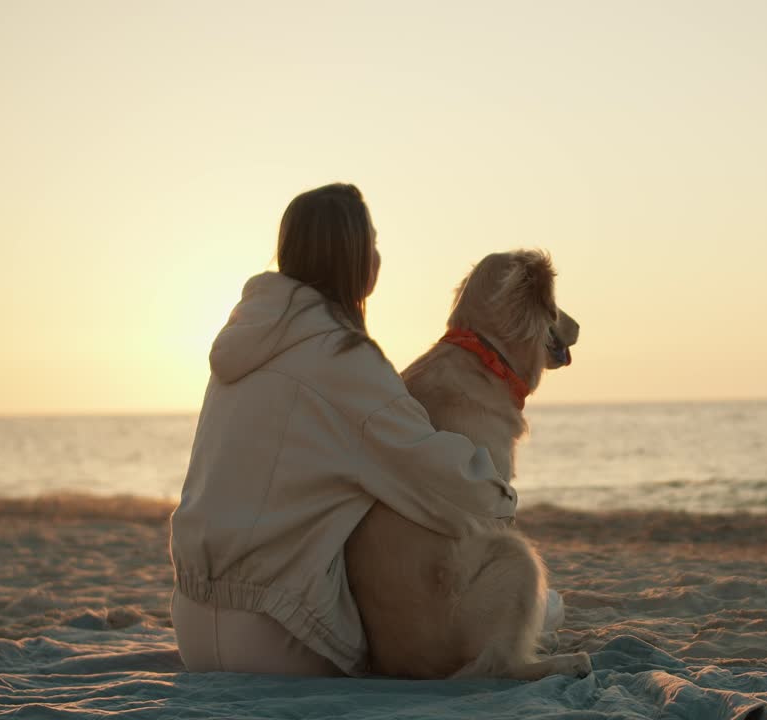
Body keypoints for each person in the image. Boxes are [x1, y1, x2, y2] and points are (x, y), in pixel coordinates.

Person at [169, 183, 517, 677]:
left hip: (192, 621)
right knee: (538, 610)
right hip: (277, 632)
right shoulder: (344, 358)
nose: (378, 256)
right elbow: (440, 479)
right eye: (372, 243)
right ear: (353, 257)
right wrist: (502, 496)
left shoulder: (244, 342)